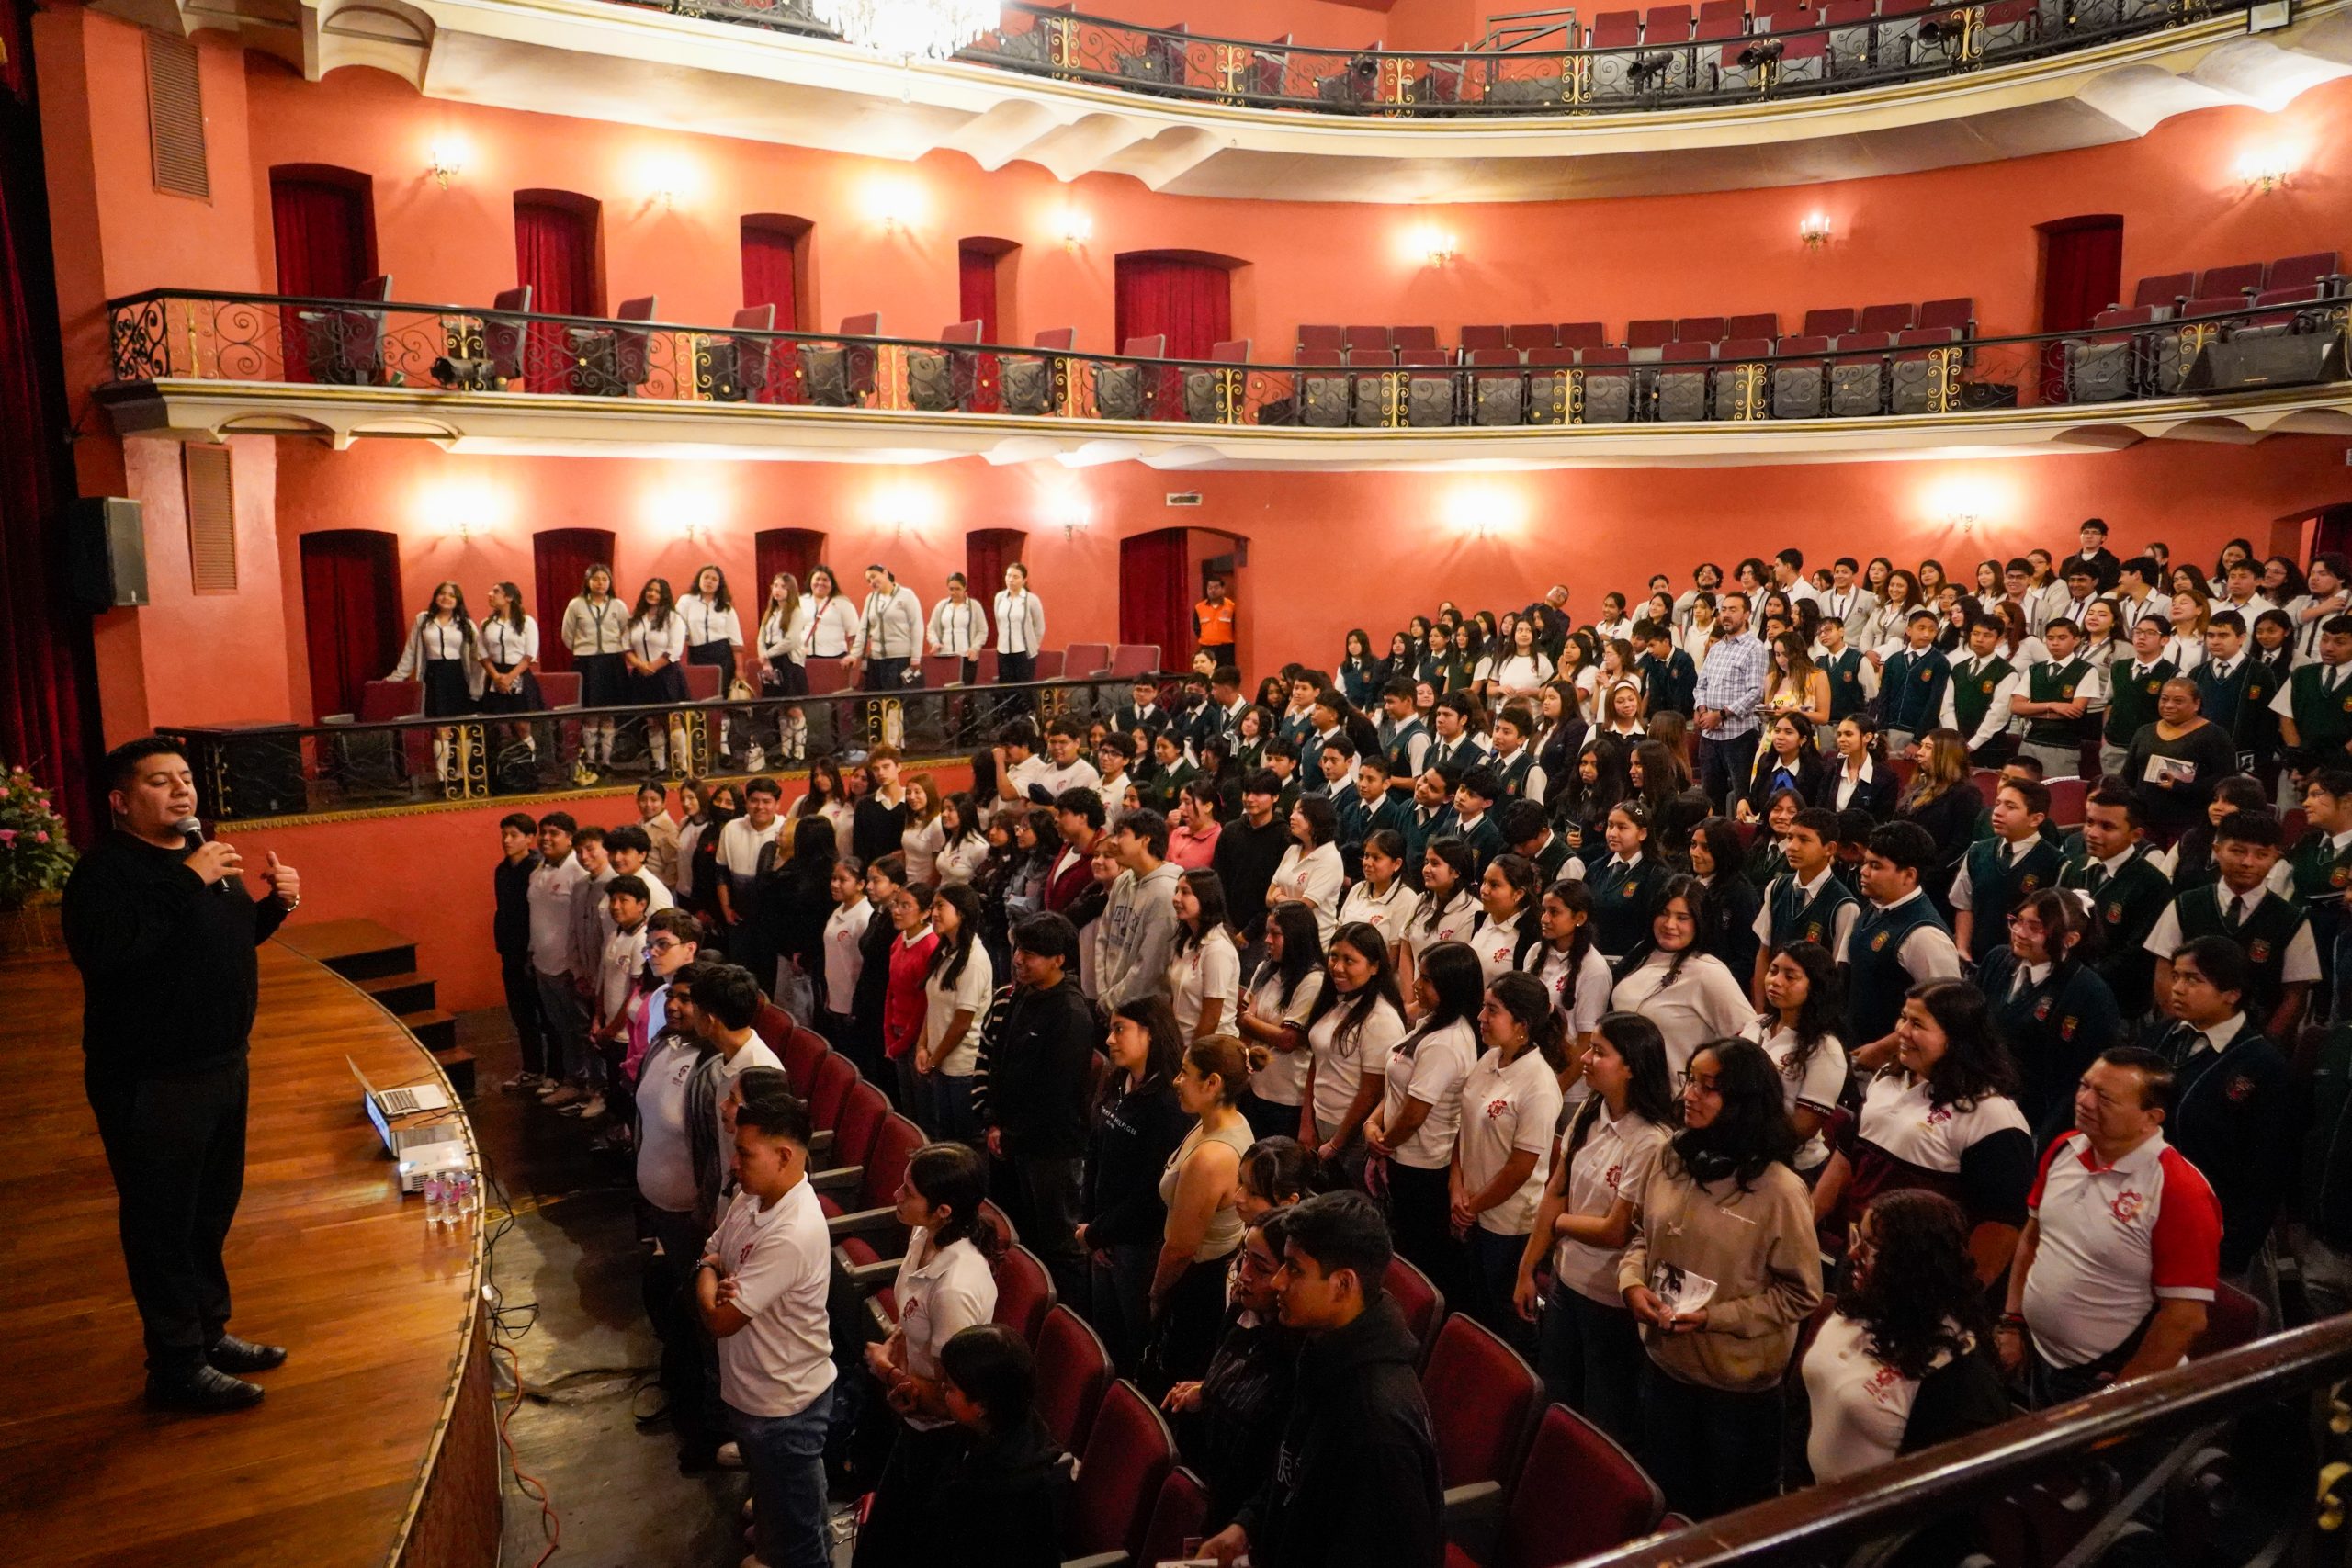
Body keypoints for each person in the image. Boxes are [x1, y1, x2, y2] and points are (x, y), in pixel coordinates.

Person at [61, 739, 303, 1412]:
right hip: (152, 1078)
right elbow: (109, 953)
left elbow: (219, 941)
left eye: (187, 779)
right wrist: (188, 878)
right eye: (161, 782)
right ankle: (174, 1365)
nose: (181, 791)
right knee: (162, 1222)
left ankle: (208, 1334)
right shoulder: (107, 873)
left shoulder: (205, 856)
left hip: (223, 1065)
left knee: (208, 1213)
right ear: (121, 800)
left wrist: (274, 908)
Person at [1618, 1037, 1820, 1517]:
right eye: (1691, 1080)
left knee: (1727, 1521)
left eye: (1710, 1088)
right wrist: (1631, 1283)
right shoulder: (1671, 1156)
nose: (1691, 1094)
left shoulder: (1780, 1192)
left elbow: (1801, 1294)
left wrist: (1715, 1317)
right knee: (1671, 1507)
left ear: (1745, 1102)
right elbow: (1640, 1238)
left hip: (1736, 1394)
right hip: (1664, 1368)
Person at [1200, 1190, 1444, 1568]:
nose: (1278, 1282)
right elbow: (1295, 1475)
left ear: (1343, 1285)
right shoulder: (1322, 1353)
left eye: (1294, 1269)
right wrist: (1246, 1526)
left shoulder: (1377, 1429)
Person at [2002, 1047, 2222, 1407]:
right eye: (2084, 1086)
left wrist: (2117, 1404)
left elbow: (2185, 1319)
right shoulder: (2063, 1149)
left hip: (2104, 1380)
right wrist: (2012, 1322)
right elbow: (2034, 1236)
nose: (2085, 1101)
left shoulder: (2179, 1190)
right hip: (2039, 1356)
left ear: (2150, 1118)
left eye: (2104, 1097)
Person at [1515, 1011, 1677, 1443]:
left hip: (1610, 1298)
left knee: (1604, 1417)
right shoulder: (1592, 1108)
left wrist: (1559, 1224)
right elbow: (1556, 1188)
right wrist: (1527, 1269)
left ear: (1631, 1067)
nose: (1584, 1058)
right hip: (1567, 1282)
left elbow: (1615, 1231)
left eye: (1599, 1053)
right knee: (1557, 1396)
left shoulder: (1650, 1139)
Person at [696, 1092, 836, 1568]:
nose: (735, 1164)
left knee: (801, 1549)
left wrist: (705, 1270)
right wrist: (711, 1267)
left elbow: (720, 1319)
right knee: (788, 1505)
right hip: (755, 1388)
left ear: (785, 1156)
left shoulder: (793, 1230)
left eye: (745, 1153)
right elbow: (716, 1245)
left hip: (783, 1404)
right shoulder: (751, 1195)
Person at [1801, 1189, 2016, 1483]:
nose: (1853, 1254)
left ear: (1912, 1262)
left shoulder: (1958, 1372)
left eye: (1872, 1246)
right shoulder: (1860, 1301)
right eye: (1857, 1237)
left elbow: (1947, 1490)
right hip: (1812, 1505)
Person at [854, 1142, 1001, 1568]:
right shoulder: (924, 1234)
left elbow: (952, 1399)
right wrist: (898, 1343)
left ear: (944, 1211)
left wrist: (885, 1370)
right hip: (914, 1423)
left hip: (942, 1442)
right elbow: (912, 1313)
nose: (896, 1196)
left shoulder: (955, 1287)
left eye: (909, 1192)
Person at [1839, 980, 2035, 1286]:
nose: (1901, 1031)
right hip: (1860, 1254)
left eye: (1917, 1023)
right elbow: (1847, 1157)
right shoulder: (1887, 1078)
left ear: (1957, 1038)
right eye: (1903, 1017)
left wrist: (1961, 1297)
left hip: (1923, 1279)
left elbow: (2002, 1224)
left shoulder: (1992, 1115)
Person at [2143, 936, 2296, 1280]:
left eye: (2193, 980)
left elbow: (2268, 1169)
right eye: (2176, 976)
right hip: (2147, 1210)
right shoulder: (2162, 1036)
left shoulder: (2262, 1064)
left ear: (2232, 993)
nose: (2177, 988)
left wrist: (2235, 1249)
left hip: (2217, 1226)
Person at [1163, 1209, 1302, 1532]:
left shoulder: (1295, 1359)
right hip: (1210, 1475)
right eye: (1244, 1256)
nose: (1244, 1274)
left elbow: (1268, 1459)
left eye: (1261, 1266)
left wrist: (1213, 1399)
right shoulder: (1242, 1309)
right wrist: (1207, 1392)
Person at [1451, 972, 1568, 1352]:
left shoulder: (1539, 1083)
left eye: (1492, 1010)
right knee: (1475, 1309)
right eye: (1484, 1006)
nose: (1481, 1016)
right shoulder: (1489, 1059)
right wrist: (1456, 1188)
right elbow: (1463, 1128)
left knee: (1504, 1324)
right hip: (1470, 1207)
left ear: (1522, 1025)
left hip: (1509, 1222)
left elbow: (1522, 1166)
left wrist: (1474, 1205)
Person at [1082, 998, 1191, 1371]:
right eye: (1110, 1029)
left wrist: (1099, 1232)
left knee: (1135, 1340)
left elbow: (1150, 1191)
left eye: (1120, 1029)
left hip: (1136, 1243)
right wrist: (1091, 1226)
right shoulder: (1116, 1080)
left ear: (1151, 1034)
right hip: (1101, 1232)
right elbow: (1094, 1151)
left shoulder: (1168, 1103)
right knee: (1104, 1338)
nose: (1109, 1039)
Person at [2144, 808, 2316, 1035]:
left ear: (2275, 857)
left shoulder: (2291, 919)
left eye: (2261, 855)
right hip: (2185, 1028)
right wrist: (2178, 1024)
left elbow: (2295, 995)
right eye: (2237, 851)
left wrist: (2264, 1043)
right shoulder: (2185, 905)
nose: (2248, 862)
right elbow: (2164, 970)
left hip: (2255, 1035)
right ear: (2217, 850)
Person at [1150, 1037, 1257, 1390]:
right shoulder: (1227, 1120)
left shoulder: (1212, 1158)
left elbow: (1181, 1248)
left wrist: (1155, 1294)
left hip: (1197, 1286)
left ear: (1212, 1084)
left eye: (1185, 1073)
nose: (1176, 1081)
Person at [1978, 888, 2124, 1139]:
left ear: (2070, 939)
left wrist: (2049, 1136)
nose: (2019, 933)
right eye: (2018, 921)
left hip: (2034, 1119)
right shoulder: (1997, 960)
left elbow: (2083, 1075)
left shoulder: (2088, 992)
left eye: (2035, 928)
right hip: (1980, 1097)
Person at [1842, 822, 1964, 1066]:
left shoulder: (1925, 935)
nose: (1863, 871)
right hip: (1858, 1050)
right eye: (1865, 862)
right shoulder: (1874, 906)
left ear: (1909, 875)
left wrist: (1881, 1049)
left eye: (1875, 866)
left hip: (1898, 1065)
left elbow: (1946, 1014)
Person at [1610, 875, 1755, 1079]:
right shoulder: (1640, 955)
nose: (1670, 924)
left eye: (1682, 918)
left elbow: (1749, 1044)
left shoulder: (1710, 973)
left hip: (1677, 1103)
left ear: (1699, 921)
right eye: (1664, 914)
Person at [1739, 941, 1850, 1188]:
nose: (1775, 981)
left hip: (1793, 1169)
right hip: (1743, 1154)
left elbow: (1803, 1128)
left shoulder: (1823, 1048)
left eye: (1790, 976)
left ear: (1816, 985)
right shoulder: (1756, 1026)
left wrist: (1745, 1141)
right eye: (1773, 970)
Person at [2058, 781, 2171, 1017]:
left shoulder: (2152, 884)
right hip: (2066, 992)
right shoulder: (2076, 867)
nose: (2093, 833)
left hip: (2118, 1005)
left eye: (2107, 827)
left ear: (2135, 835)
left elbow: (2137, 955)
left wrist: (2080, 977)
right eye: (2090, 822)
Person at [1950, 776, 2063, 964]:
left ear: (2036, 818)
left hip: (2024, 961)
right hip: (1977, 958)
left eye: (2010, 807)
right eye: (1998, 803)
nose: (1997, 812)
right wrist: (1962, 947)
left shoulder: (2055, 863)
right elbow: (1964, 904)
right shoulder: (1978, 852)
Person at [1236, 904, 1325, 1139]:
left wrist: (1249, 1020)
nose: (1267, 940)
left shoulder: (1313, 981)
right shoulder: (1265, 969)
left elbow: (1288, 1040)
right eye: (1267, 932)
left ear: (1296, 936)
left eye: (1276, 934)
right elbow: (1241, 1022)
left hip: (1287, 1100)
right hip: (1253, 1088)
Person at [1097, 808, 1182, 1010]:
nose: (1114, 842)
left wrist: (1111, 1001)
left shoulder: (1166, 892)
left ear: (1145, 840)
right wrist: (1104, 994)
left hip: (1145, 1009)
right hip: (1110, 1002)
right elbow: (1103, 939)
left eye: (1122, 835)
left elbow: (1150, 966)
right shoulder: (1123, 881)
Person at [1691, 591, 1769, 808]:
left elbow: (1755, 692)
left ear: (1746, 615)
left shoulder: (1755, 648)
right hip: (1709, 733)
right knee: (1710, 798)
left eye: (1733, 610)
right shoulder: (1716, 648)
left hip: (1739, 734)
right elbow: (1701, 685)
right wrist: (1703, 709)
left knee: (1741, 797)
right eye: (1724, 610)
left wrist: (1721, 714)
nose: (1726, 615)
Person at [492, 810, 546, 1093]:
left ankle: (550, 1071)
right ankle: (532, 1067)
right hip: (510, 950)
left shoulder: (536, 869)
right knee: (521, 1014)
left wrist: (531, 949)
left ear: (529, 838)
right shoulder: (502, 870)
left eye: (513, 835)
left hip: (532, 951)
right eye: (504, 835)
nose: (506, 840)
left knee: (543, 1014)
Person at [1167, 868, 1242, 1041]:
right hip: (1181, 1042)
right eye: (1176, 891)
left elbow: (1211, 1018)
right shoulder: (1186, 941)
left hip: (1211, 1049)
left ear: (1206, 898)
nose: (1176, 898)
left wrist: (1190, 1057)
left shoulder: (1218, 949)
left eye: (1185, 892)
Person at [857, 563, 924, 693]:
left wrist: (916, 657)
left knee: (896, 704)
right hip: (876, 660)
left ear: (885, 573)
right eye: (868, 581)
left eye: (873, 576)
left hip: (900, 658)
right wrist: (856, 654)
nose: (872, 582)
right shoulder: (870, 599)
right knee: (876, 702)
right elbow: (863, 628)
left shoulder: (907, 595)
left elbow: (917, 626)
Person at [925, 571, 990, 684]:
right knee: (946, 692)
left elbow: (982, 630)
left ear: (965, 587)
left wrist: (975, 648)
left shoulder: (974, 606)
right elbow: (931, 628)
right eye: (951, 589)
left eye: (957, 589)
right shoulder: (941, 606)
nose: (954, 592)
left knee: (966, 693)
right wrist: (934, 642)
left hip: (967, 657)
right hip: (945, 656)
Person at [992, 561, 1046, 686]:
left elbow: (1039, 627)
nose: (1011, 580)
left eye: (1015, 577)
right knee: (1006, 688)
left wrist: (1033, 645)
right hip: (1003, 651)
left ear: (1024, 580)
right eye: (1008, 575)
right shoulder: (999, 598)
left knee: (1024, 690)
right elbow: (999, 621)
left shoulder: (1031, 600)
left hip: (1024, 651)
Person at [1193, 575, 1238, 664]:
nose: (1212, 590)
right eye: (1210, 588)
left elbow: (1235, 627)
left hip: (1226, 649)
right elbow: (1196, 628)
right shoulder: (1199, 607)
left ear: (1223, 589)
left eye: (1216, 587)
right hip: (1206, 648)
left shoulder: (1231, 606)